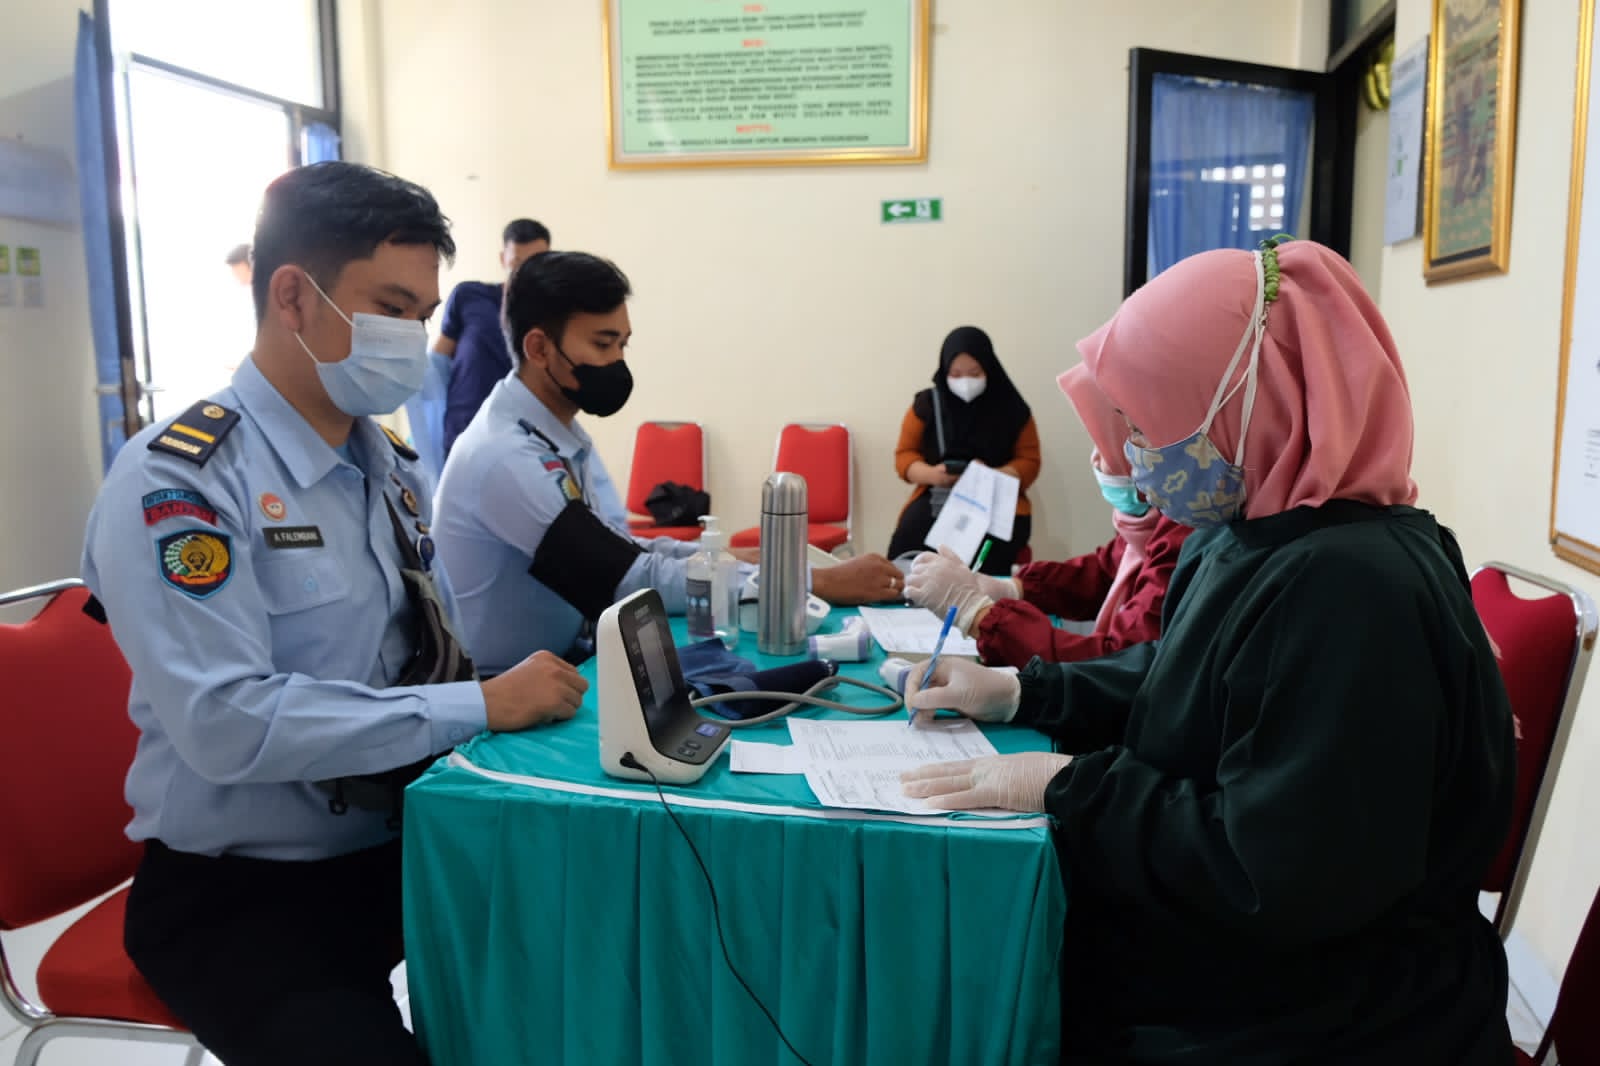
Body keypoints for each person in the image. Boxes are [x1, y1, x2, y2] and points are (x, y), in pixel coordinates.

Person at [898, 240, 1516, 1064]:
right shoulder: (1247, 538)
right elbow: (1176, 684)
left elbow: (1276, 871)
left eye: (1154, 425)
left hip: (1321, 1017)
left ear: (1250, 404)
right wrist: (1023, 692)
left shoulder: (1350, 591)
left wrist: (1076, 787)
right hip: (1246, 971)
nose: (1143, 460)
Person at [82, 162, 587, 1066]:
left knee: (593, 958)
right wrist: (482, 703)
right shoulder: (183, 479)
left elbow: (418, 658)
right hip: (240, 896)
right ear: (292, 297)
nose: (411, 337)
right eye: (391, 306)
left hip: (391, 843)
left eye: (424, 314)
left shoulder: (387, 466)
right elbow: (225, 724)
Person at [432, 251, 906, 676]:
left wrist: (736, 559)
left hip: (561, 664)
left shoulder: (556, 437)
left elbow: (620, 546)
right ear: (539, 349)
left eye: (623, 344)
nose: (617, 361)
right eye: (602, 344)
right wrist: (812, 582)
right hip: (508, 688)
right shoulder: (504, 457)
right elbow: (623, 578)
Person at [903, 364, 1190, 668]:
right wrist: (1014, 588)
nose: (1096, 458)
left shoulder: (1183, 532)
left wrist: (980, 616)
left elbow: (1117, 662)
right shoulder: (1148, 527)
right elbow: (1103, 572)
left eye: (1130, 432)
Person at [887, 326, 1040, 575]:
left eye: (974, 372)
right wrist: (933, 475)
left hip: (995, 499)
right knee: (912, 534)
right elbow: (905, 456)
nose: (965, 381)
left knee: (988, 549)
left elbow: (1030, 462)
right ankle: (908, 605)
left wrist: (991, 475)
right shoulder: (926, 404)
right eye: (956, 374)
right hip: (938, 494)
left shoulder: (1012, 409)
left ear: (988, 369)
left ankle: (984, 606)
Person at [436, 217, 551, 456]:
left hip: (525, 439)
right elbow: (436, 365)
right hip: (463, 431)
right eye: (517, 262)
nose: (525, 272)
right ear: (504, 258)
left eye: (535, 263)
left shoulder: (554, 314)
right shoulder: (469, 296)